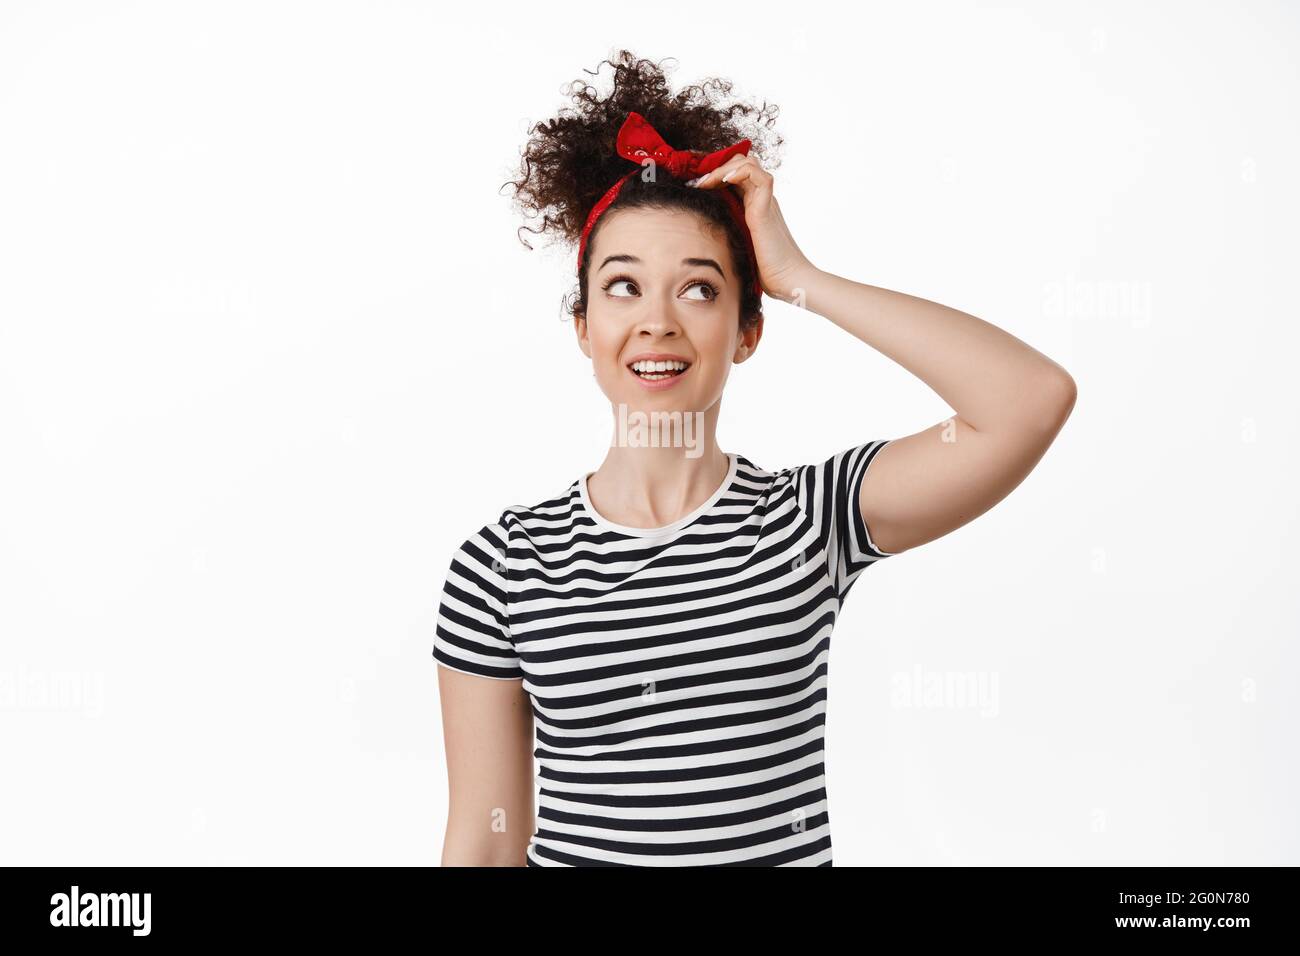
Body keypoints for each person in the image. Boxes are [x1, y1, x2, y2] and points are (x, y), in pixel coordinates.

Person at [433, 51, 1076, 866]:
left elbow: (1029, 399)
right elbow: (484, 847)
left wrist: (801, 276)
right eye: (623, 287)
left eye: (698, 288)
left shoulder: (811, 519)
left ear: (748, 331)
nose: (658, 322)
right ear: (583, 327)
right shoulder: (503, 565)